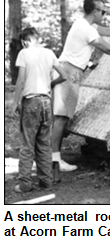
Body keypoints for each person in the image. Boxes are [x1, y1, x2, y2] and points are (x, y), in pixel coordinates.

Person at [52, 0, 110, 172]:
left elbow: (107, 31)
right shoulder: (86, 29)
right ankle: (55, 160)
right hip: (70, 72)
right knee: (61, 118)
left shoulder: (85, 25)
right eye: (102, 11)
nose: (104, 13)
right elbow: (109, 49)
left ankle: (51, 157)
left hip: (70, 71)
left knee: (60, 118)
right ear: (95, 11)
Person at [11, 28, 68, 193]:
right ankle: (46, 182)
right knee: (44, 144)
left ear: (24, 41)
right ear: (37, 38)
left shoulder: (24, 53)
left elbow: (21, 80)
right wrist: (50, 84)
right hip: (46, 102)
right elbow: (64, 76)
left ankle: (25, 184)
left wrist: (15, 102)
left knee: (27, 144)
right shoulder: (49, 53)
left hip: (31, 102)